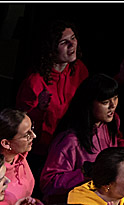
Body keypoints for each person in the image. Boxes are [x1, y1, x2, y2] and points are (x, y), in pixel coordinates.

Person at [40, 74, 124, 204]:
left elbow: (118, 141)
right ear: (88, 103)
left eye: (115, 98)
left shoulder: (111, 122)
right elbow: (48, 183)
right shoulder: (70, 140)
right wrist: (85, 173)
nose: (112, 106)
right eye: (105, 102)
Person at [15, 21, 89, 161]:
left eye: (73, 38)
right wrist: (39, 109)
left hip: (68, 146)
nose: (72, 44)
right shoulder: (34, 81)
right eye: (64, 42)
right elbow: (18, 121)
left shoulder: (79, 69)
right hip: (40, 151)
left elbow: (93, 98)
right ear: (51, 49)